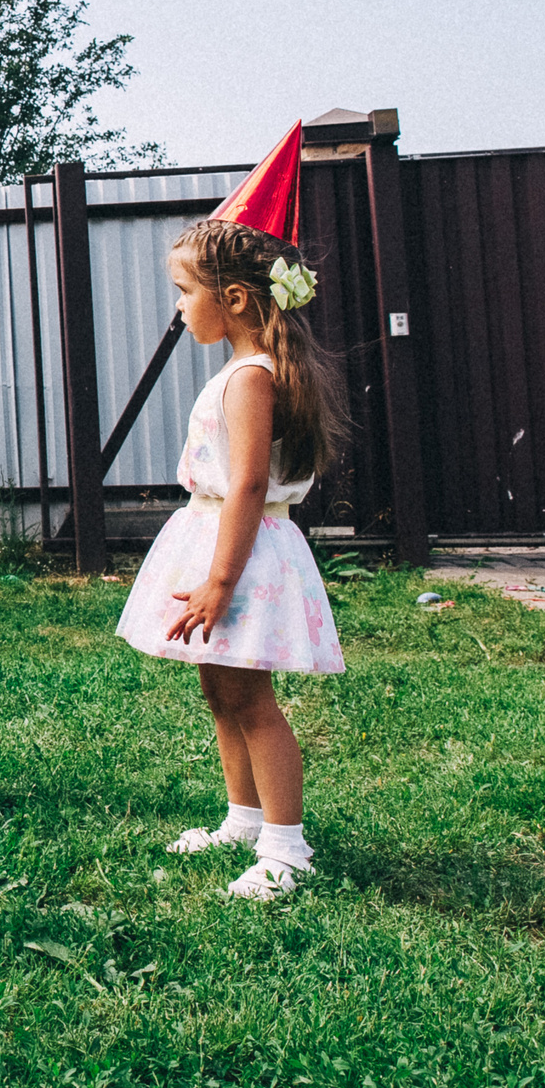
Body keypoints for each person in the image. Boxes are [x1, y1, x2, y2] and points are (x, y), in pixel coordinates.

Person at [113, 220, 344, 901]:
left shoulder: (251, 379)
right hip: (221, 540)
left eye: (185, 291)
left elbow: (247, 484)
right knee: (221, 690)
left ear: (236, 299)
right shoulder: (242, 371)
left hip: (242, 554)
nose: (179, 306)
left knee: (251, 698)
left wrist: (219, 578)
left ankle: (286, 846)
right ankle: (244, 818)